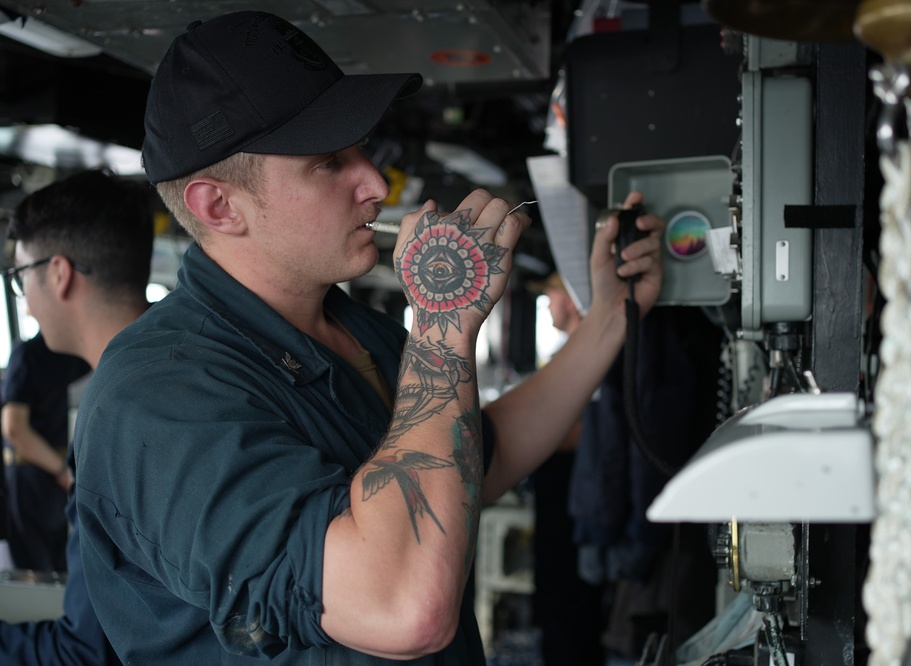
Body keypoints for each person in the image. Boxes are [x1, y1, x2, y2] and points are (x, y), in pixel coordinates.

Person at [72, 10, 665, 664]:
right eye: (329, 162)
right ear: (220, 206)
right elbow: (402, 609)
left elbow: (470, 467)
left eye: (362, 151)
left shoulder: (356, 330)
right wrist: (443, 324)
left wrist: (609, 316)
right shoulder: (157, 396)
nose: (376, 185)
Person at [0, 167, 155, 665]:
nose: (25, 302)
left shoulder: (115, 420)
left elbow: (86, 653)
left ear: (59, 273)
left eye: (21, 276)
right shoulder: (182, 371)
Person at [529, 272, 605, 665]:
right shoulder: (570, 358)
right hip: (562, 500)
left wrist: (530, 431)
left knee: (570, 613)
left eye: (551, 294)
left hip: (575, 506)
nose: (546, 304)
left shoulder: (586, 363)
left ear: (574, 300)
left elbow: (588, 433)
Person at [2, 332, 90, 572]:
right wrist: (63, 470)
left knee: (46, 568)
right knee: (48, 567)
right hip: (41, 472)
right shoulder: (40, 354)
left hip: (54, 476)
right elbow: (14, 428)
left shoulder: (32, 354)